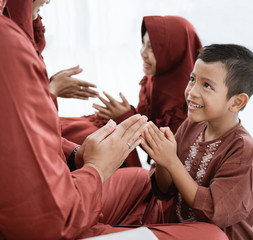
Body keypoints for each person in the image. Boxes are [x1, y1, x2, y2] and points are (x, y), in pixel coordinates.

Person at [0, 1, 228, 239]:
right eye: (144, 45)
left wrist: (81, 154)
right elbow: (46, 219)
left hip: (60, 201)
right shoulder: (8, 46)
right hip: (55, 214)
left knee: (130, 169)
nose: (194, 92)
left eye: (154, 48)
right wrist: (96, 167)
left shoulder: (200, 116)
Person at [141, 44, 253, 239]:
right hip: (181, 229)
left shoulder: (242, 150)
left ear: (236, 102)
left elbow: (213, 212)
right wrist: (161, 158)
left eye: (206, 85)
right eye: (192, 79)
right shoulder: (192, 125)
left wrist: (172, 162)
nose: (192, 92)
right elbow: (165, 189)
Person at [60, 15, 202, 166]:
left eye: (152, 48)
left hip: (166, 172)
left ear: (174, 51)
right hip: (121, 138)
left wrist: (126, 116)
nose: (142, 52)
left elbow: (170, 156)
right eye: (143, 44)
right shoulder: (152, 81)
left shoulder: (193, 103)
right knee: (71, 130)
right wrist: (123, 114)